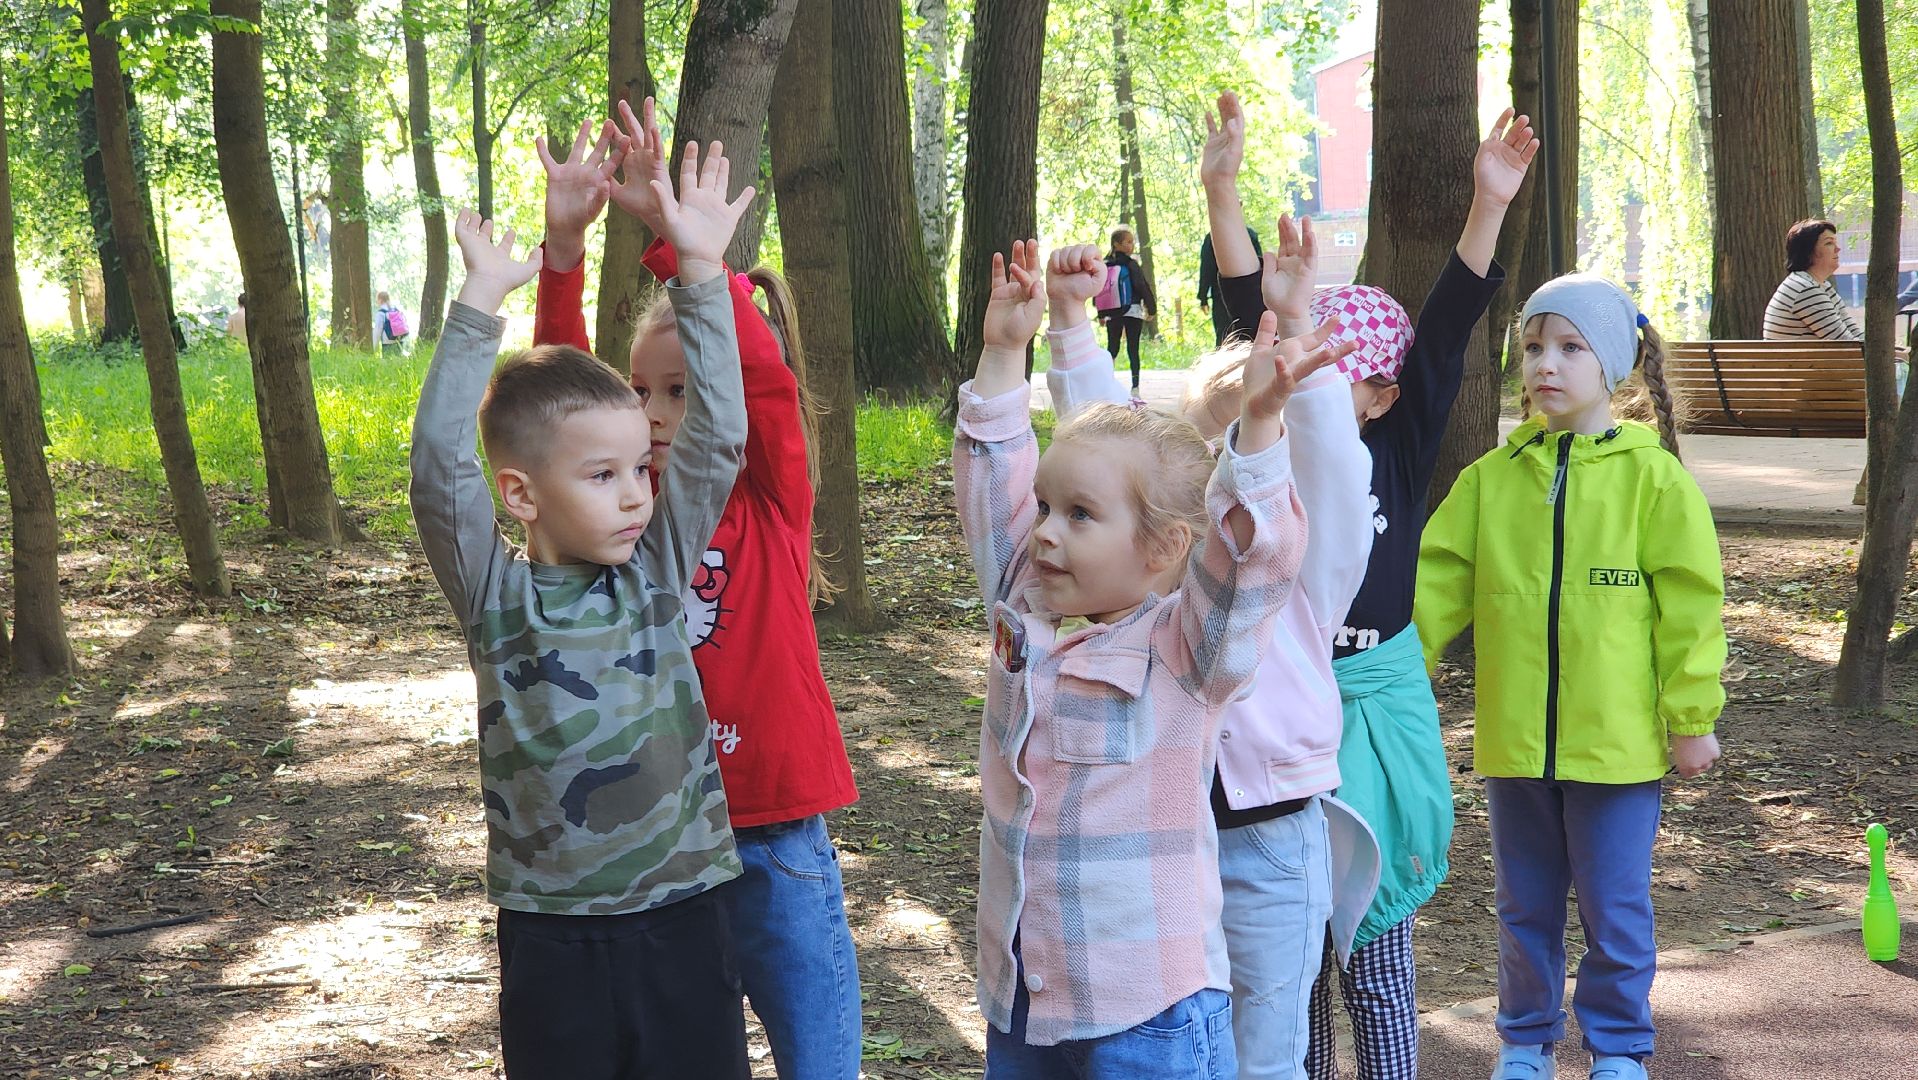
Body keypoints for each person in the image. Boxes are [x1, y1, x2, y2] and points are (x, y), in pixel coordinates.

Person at [1199, 92, 1536, 1079]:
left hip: (1374, 708)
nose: (1299, 371)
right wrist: (1223, 191)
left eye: (1329, 367)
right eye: (1294, 355)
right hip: (1284, 708)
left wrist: (1488, 203)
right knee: (1293, 951)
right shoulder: (1273, 448)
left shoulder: (1393, 439)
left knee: (1378, 954)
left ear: (1381, 393)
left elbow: (1445, 324)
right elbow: (1245, 306)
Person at [408, 138, 759, 1080]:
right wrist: (478, 306)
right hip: (553, 932)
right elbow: (441, 471)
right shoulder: (497, 596)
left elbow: (721, 433)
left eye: (641, 467)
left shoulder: (655, 573)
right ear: (521, 496)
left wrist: (699, 269)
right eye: (603, 476)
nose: (638, 493)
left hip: (686, 916)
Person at [529, 102, 863, 1080]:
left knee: (821, 1062)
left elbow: (750, 386)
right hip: (658, 846)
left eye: (676, 390)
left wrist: (687, 258)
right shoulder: (610, 523)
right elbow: (554, 413)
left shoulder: (765, 493)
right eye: (638, 390)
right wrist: (561, 250)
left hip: (773, 837)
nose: (654, 414)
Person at [961, 238, 1345, 1077]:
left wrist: (1262, 420)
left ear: (1166, 546)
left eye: (1079, 515)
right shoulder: (1024, 602)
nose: (1048, 531)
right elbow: (992, 473)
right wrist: (1003, 350)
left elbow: (1252, 560)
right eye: (1047, 507)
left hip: (1148, 1013)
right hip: (1022, 995)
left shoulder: (1186, 650)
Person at [1416, 275, 1727, 1080]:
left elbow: (1691, 606)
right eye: (1532, 347)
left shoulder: (1652, 478)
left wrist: (1691, 717)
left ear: (1615, 365)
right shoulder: (1492, 477)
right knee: (1524, 909)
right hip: (1516, 743)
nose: (1545, 364)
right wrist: (1392, 675)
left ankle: (1620, 1048)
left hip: (1617, 748)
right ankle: (1524, 1042)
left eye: (1569, 347)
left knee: (1614, 911)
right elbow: (1433, 584)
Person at [1763, 219, 1862, 341]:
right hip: (1800, 360)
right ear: (1809, 251)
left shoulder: (1822, 286)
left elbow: (1854, 333)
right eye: (1829, 243)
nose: (1838, 249)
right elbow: (1845, 343)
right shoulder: (1805, 289)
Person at [1097, 227, 1157, 394]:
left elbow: (1100, 290)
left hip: (1112, 313)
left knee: (1112, 348)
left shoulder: (1105, 265)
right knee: (1133, 348)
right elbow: (1142, 286)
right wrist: (1151, 309)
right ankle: (1135, 386)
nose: (1132, 245)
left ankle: (1106, 383)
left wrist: (1101, 314)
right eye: (1128, 242)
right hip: (1133, 310)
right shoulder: (1131, 264)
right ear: (1117, 244)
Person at [1199, 226, 1264, 346]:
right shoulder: (1249, 235)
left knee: (1224, 334)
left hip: (1222, 294)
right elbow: (1259, 266)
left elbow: (1206, 269)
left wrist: (1203, 297)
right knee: (1248, 332)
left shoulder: (1212, 238)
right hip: (1249, 294)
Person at [375, 291, 408, 356]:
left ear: (380, 300)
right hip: (399, 341)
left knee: (388, 363)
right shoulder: (395, 310)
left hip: (387, 342)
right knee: (398, 363)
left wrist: (375, 347)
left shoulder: (381, 313)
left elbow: (378, 331)